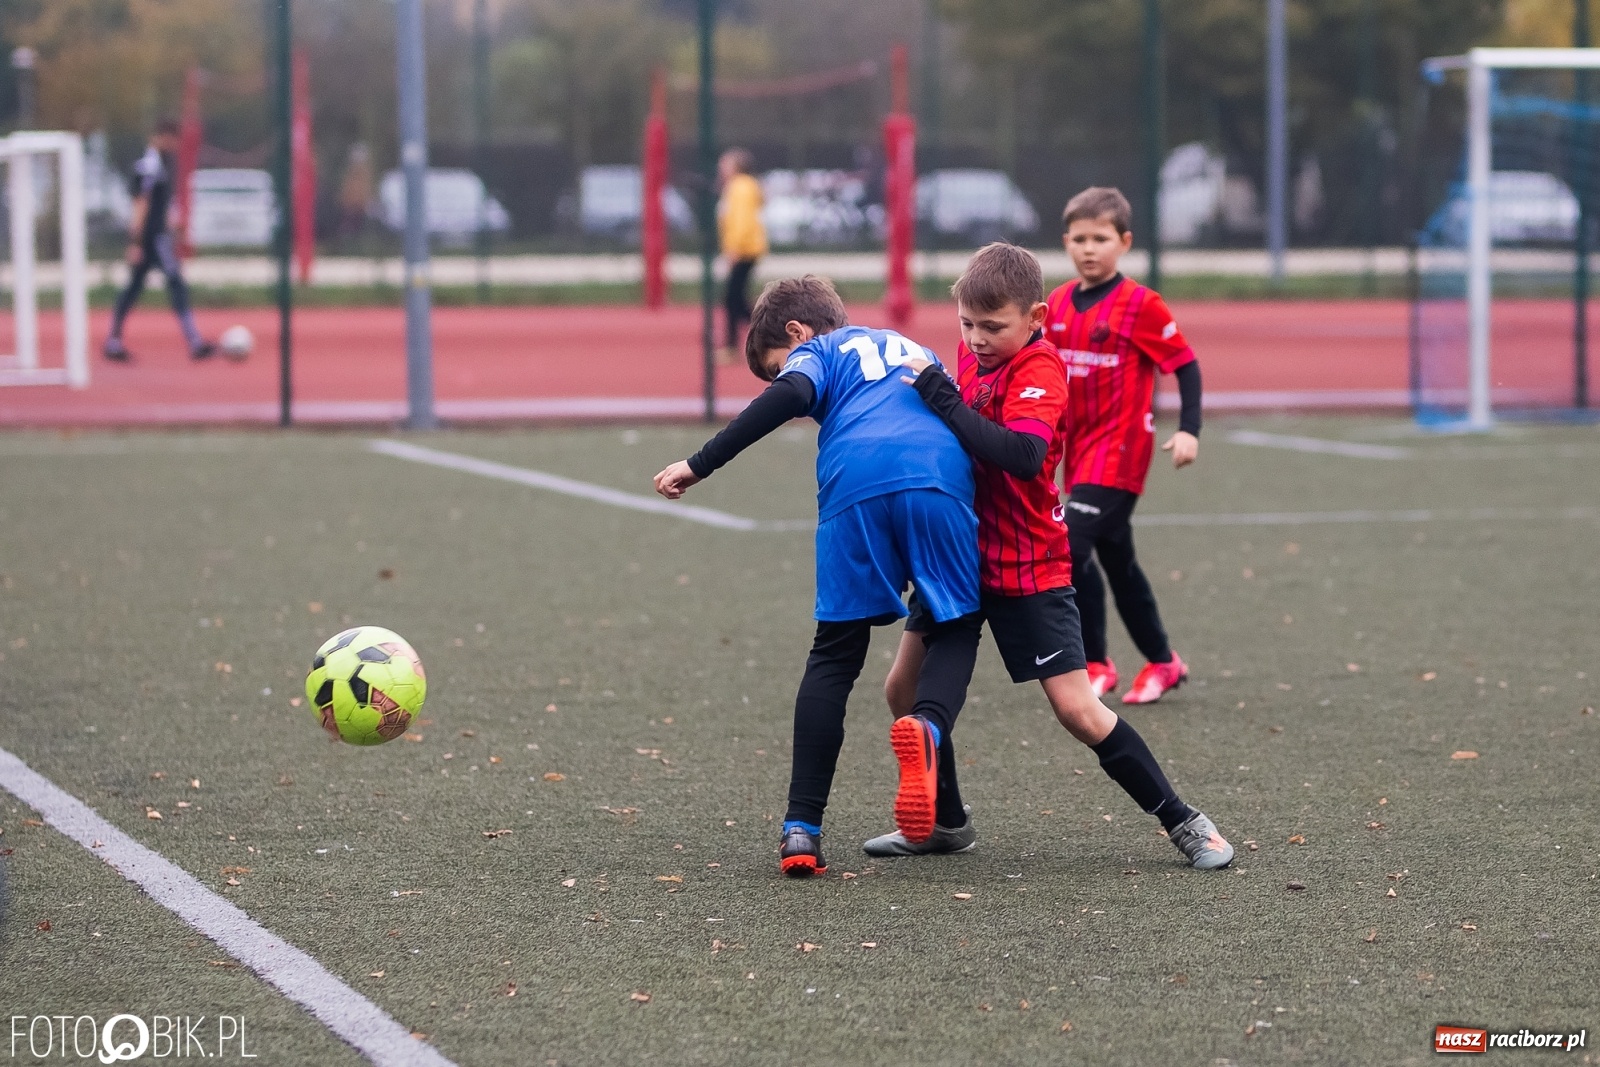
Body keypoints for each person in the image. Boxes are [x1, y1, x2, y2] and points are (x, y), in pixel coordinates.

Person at [866, 242, 1233, 871]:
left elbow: (1023, 456)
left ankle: (1186, 822)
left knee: (1077, 709)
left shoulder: (1039, 368)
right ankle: (947, 824)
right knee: (903, 689)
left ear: (1036, 318)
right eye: (967, 325)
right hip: (960, 554)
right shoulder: (972, 355)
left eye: (993, 327)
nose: (976, 340)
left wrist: (944, 403)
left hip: (1028, 563)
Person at [654, 275, 982, 877]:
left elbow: (789, 395)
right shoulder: (914, 348)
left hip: (856, 481)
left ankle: (801, 830)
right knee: (954, 623)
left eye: (777, 364)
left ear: (798, 333)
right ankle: (933, 747)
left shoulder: (818, 352)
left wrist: (700, 463)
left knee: (834, 656)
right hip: (941, 477)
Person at [1046, 187, 1202, 704]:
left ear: (1124, 242)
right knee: (1118, 564)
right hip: (1079, 452)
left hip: (1121, 452)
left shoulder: (1142, 305)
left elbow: (1186, 365)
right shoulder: (1060, 303)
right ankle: (1163, 662)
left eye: (1101, 238)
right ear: (1066, 241)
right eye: (1080, 239)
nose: (1089, 249)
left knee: (1069, 547)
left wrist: (1189, 430)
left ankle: (1094, 662)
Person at [103, 119, 214, 363]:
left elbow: (158, 206)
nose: (175, 145)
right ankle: (194, 341)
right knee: (176, 284)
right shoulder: (150, 167)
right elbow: (141, 205)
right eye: (173, 139)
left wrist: (175, 226)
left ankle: (113, 340)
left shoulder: (158, 164)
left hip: (154, 236)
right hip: (153, 239)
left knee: (133, 288)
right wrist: (136, 241)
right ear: (162, 137)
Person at [716, 149, 767, 366]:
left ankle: (734, 345)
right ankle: (765, 330)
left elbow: (741, 221)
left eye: (725, 163)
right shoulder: (741, 186)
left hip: (744, 249)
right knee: (735, 299)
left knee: (732, 299)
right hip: (746, 248)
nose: (721, 167)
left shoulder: (741, 187)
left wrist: (734, 249)